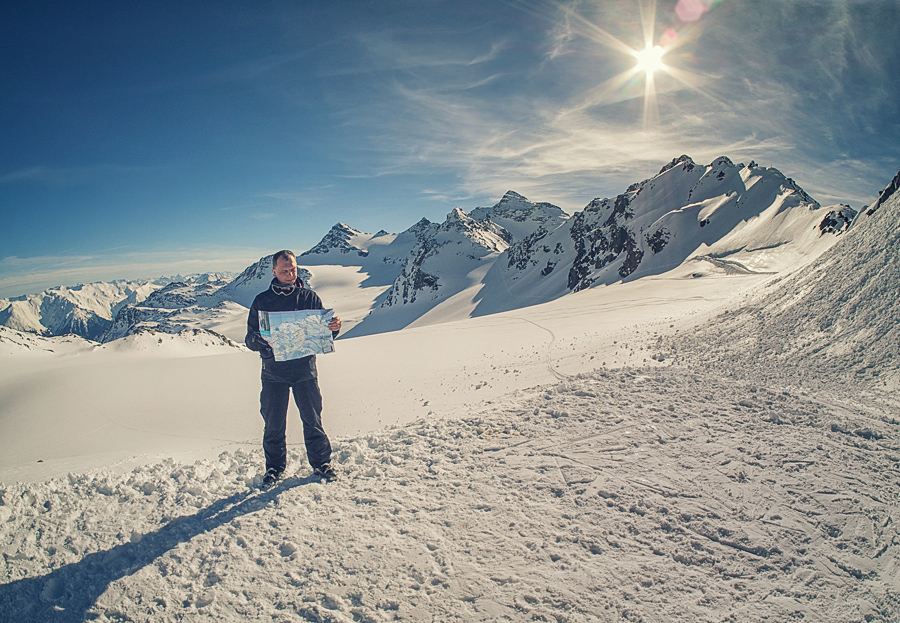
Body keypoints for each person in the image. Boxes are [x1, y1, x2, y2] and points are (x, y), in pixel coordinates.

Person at [245, 250, 342, 486]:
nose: (290, 274)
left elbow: (322, 335)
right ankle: (274, 468)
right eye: (284, 271)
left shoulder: (310, 298)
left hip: (304, 371)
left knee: (313, 419)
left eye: (293, 269)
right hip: (273, 373)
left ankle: (322, 463)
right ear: (274, 272)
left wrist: (333, 329)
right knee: (274, 423)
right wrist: (260, 343)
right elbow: (249, 338)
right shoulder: (262, 301)